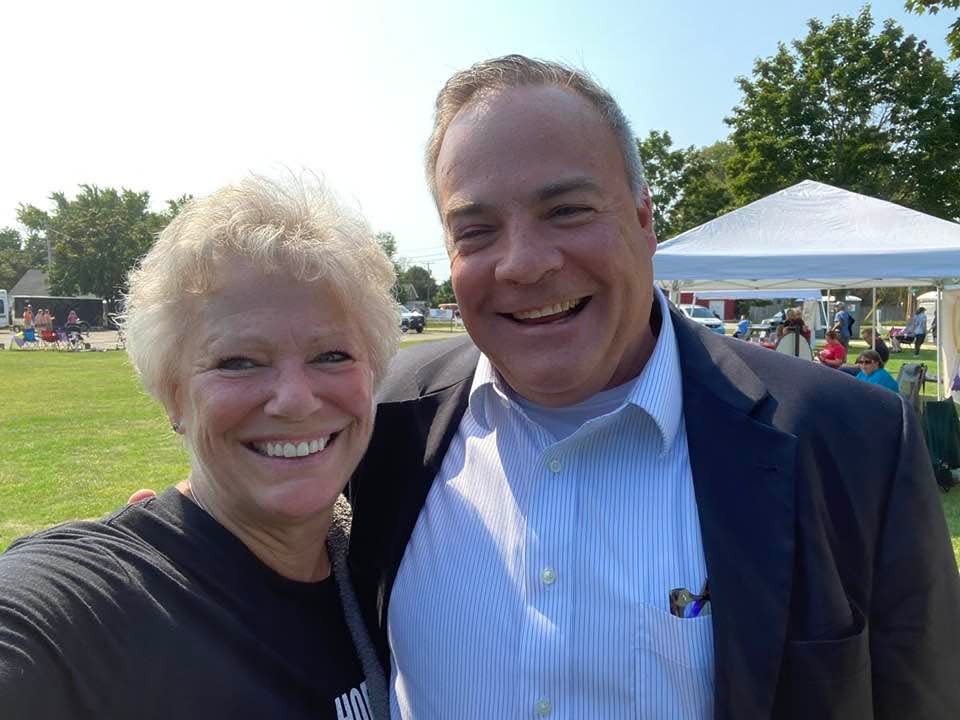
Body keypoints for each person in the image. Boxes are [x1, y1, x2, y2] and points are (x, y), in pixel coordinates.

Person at [347, 55, 960, 719]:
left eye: (568, 210)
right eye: (476, 230)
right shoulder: (380, 421)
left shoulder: (852, 440)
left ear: (645, 219)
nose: (523, 262)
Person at [0, 177, 395, 719]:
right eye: (238, 361)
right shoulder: (95, 602)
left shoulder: (384, 571)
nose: (296, 401)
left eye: (331, 355)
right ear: (173, 395)